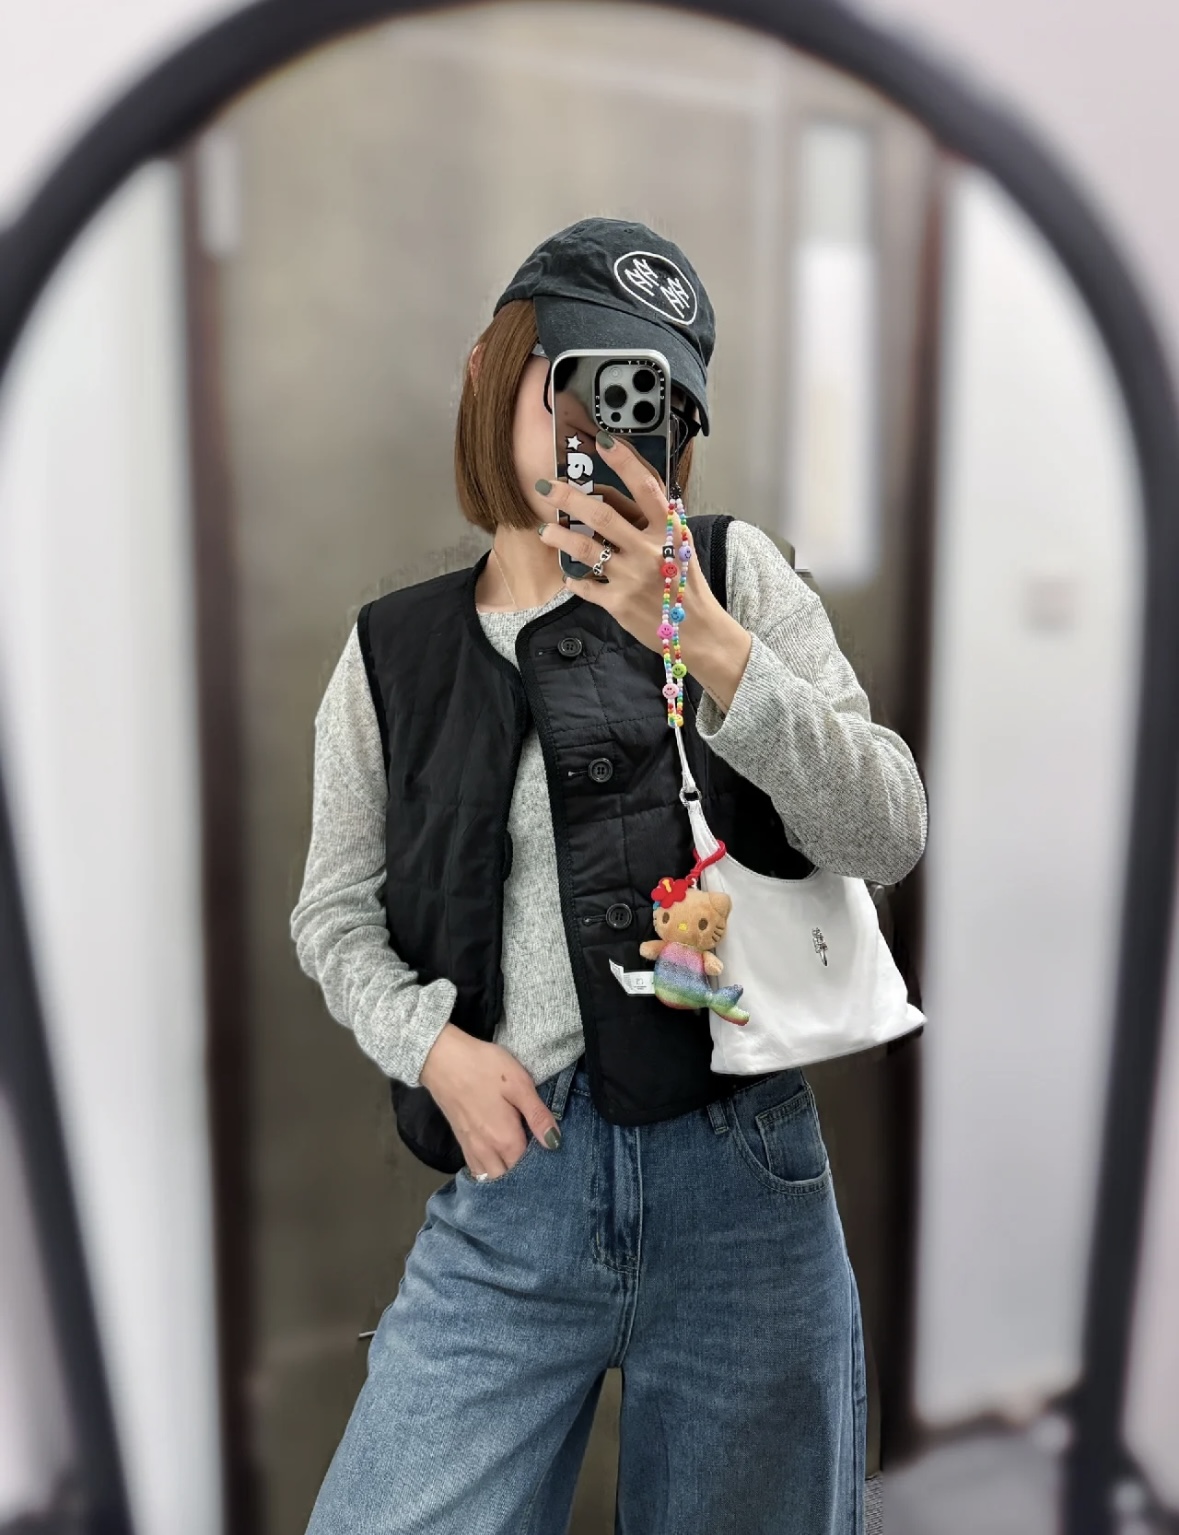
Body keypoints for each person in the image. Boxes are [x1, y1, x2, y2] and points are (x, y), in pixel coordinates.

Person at [291, 217, 927, 1535]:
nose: (610, 427)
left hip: (745, 1189)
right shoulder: (393, 655)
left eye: (653, 402)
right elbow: (334, 913)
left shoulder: (734, 578)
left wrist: (702, 638)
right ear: (493, 370)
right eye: (583, 382)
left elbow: (887, 830)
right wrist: (431, 1048)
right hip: (511, 1195)